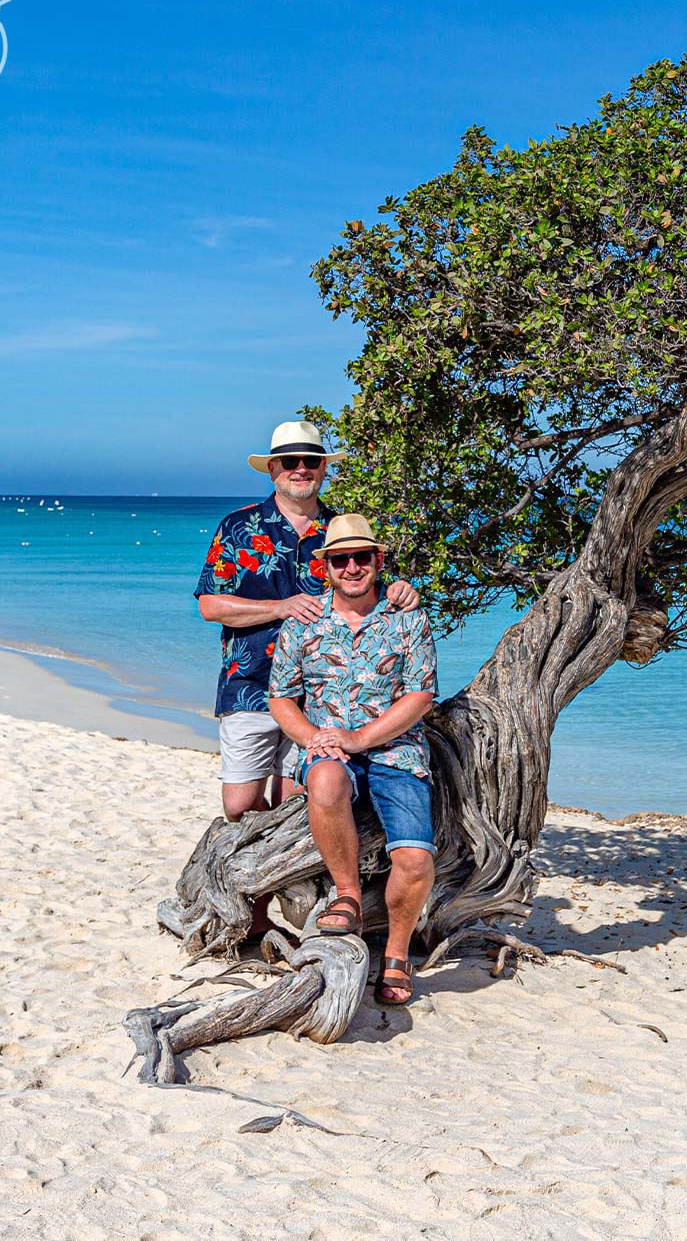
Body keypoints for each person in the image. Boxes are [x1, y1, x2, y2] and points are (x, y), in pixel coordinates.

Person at [195, 420, 417, 822]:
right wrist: (280, 607)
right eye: (289, 461)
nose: (301, 468)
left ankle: (287, 885)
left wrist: (402, 591)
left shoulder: (340, 533)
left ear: (323, 468)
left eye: (310, 460)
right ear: (272, 469)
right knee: (239, 807)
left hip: (322, 695)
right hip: (250, 685)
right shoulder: (237, 527)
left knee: (296, 809)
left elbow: (369, 590)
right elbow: (210, 605)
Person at [266, 514, 438, 1008]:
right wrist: (314, 740)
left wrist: (361, 738)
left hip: (398, 751)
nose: (352, 567)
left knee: (415, 859)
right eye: (341, 559)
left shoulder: (406, 616)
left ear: (377, 561)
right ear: (326, 567)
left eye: (362, 557)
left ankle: (398, 954)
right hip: (330, 751)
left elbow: (420, 695)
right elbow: (281, 698)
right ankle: (348, 896)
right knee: (322, 779)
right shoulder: (302, 622)